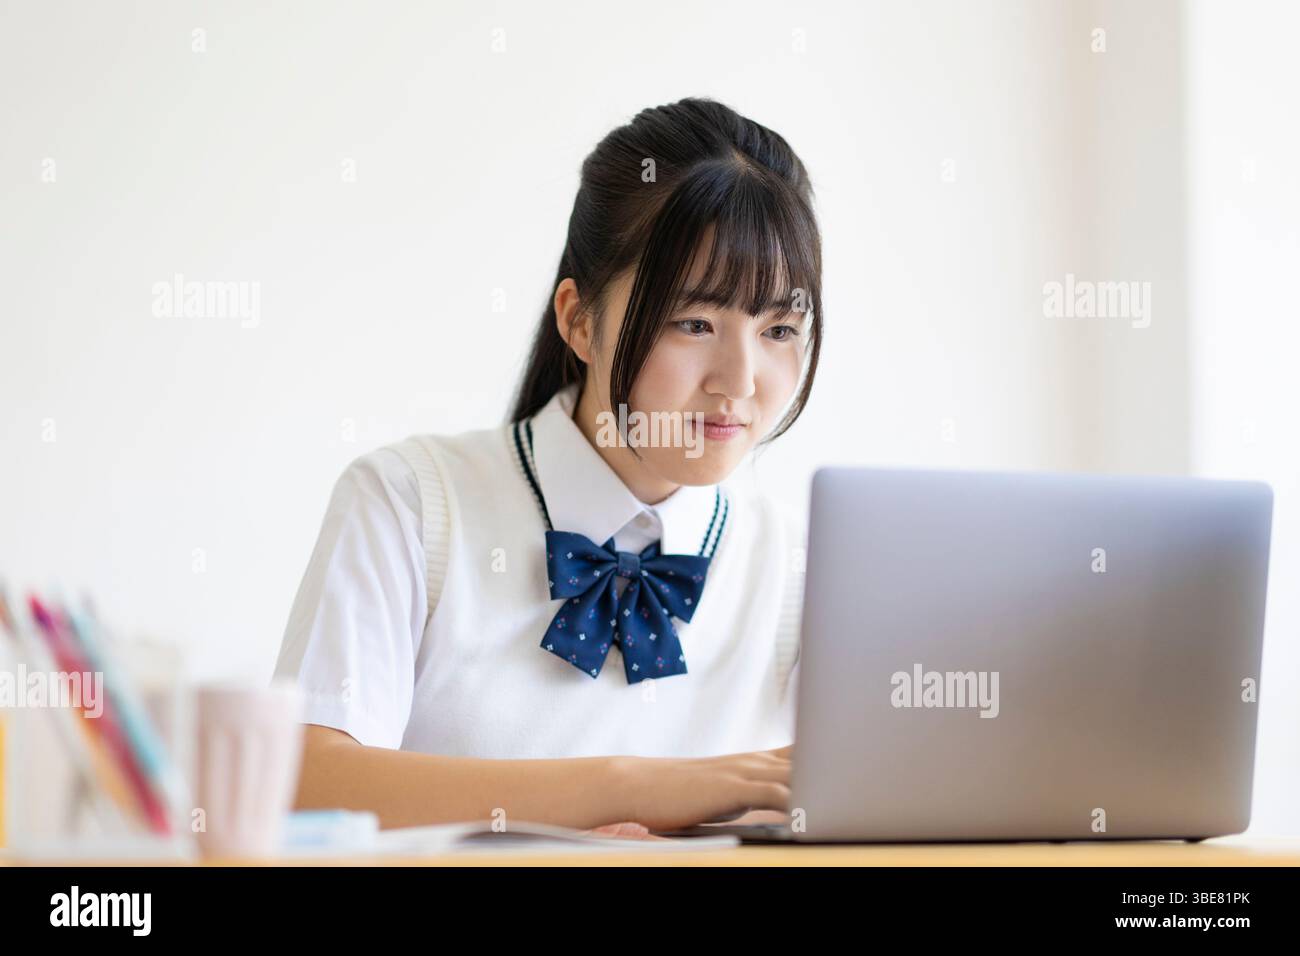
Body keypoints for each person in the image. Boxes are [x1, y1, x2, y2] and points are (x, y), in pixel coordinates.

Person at [273, 96, 823, 836]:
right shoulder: (411, 502)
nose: (741, 378)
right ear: (578, 320)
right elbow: (307, 780)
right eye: (694, 322)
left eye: (780, 329)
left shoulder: (804, 563)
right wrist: (627, 788)